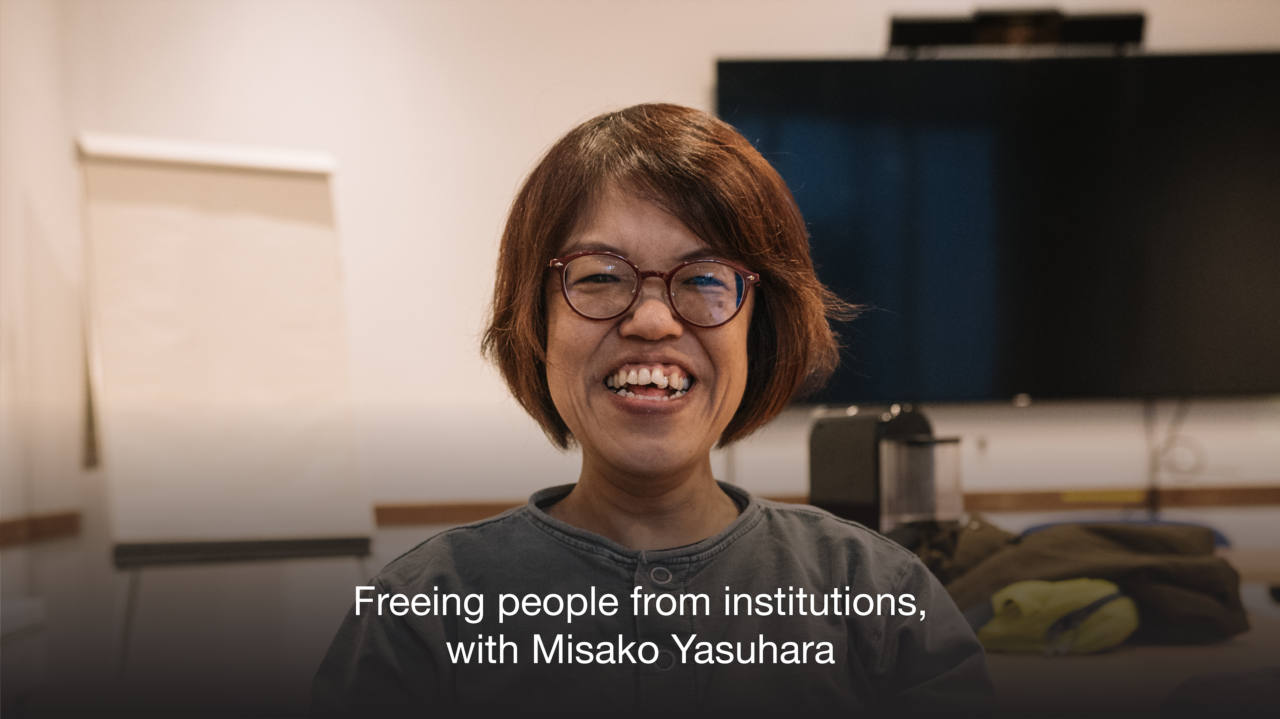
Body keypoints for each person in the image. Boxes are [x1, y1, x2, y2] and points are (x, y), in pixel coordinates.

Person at [313, 103, 992, 718]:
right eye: (601, 277)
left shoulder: (875, 596)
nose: (652, 320)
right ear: (536, 320)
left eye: (703, 279)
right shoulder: (421, 614)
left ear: (757, 330)